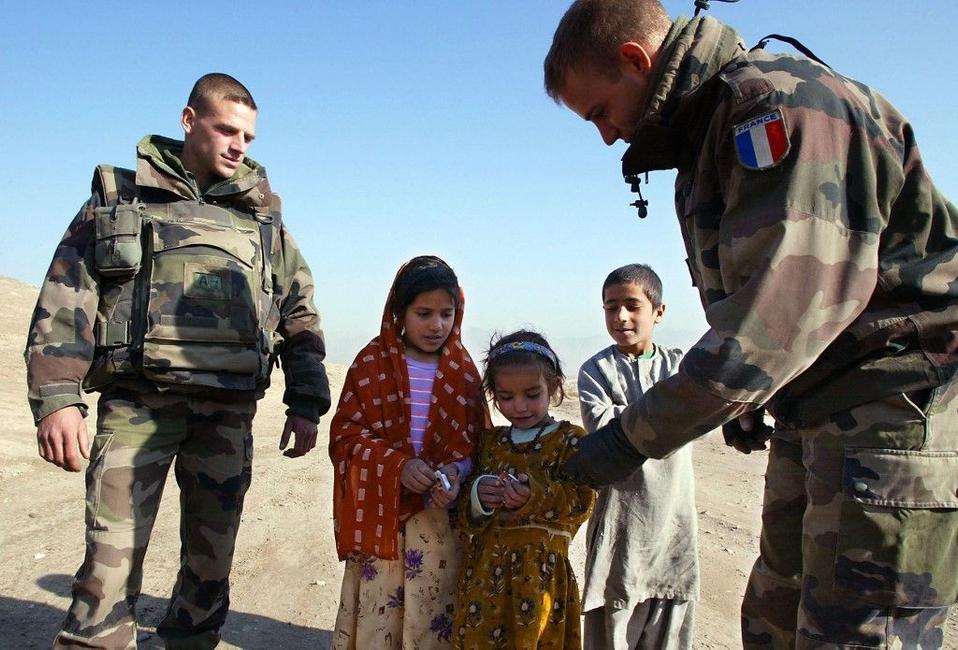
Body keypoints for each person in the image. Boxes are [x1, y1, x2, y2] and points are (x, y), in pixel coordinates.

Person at [544, 1, 958, 647]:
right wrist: (755, 396)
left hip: (891, 412)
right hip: (816, 409)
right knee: (774, 625)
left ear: (635, 60)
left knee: (857, 635)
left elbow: (776, 317)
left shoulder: (779, 107)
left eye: (600, 111)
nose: (605, 135)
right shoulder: (708, 131)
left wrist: (622, 442)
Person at [24, 72, 331, 648]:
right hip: (137, 408)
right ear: (189, 121)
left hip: (226, 415)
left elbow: (298, 311)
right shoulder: (122, 199)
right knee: (109, 564)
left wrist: (306, 401)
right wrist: (58, 398)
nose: (239, 146)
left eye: (248, 137)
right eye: (226, 130)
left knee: (210, 568)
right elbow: (67, 295)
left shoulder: (263, 217)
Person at [329, 255, 487, 650]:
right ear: (399, 312)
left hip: (440, 521)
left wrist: (456, 472)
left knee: (435, 613)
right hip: (382, 516)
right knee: (379, 614)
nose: (437, 325)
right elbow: (346, 436)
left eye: (446, 314)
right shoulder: (371, 363)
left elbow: (478, 444)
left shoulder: (463, 370)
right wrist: (396, 466)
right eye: (424, 313)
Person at [578, 263, 698, 650]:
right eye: (611, 307)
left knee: (668, 624)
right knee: (613, 624)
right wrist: (665, 414)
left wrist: (632, 417)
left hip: (672, 525)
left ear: (658, 312)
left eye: (632, 306)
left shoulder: (680, 368)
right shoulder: (596, 371)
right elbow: (603, 429)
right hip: (621, 527)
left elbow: (693, 419)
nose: (621, 317)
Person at [454, 330, 595, 650]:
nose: (519, 406)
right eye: (506, 397)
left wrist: (533, 496)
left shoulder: (569, 441)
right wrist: (479, 496)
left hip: (543, 580)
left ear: (554, 386)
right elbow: (464, 516)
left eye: (532, 394)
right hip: (485, 580)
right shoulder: (490, 443)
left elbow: (582, 502)